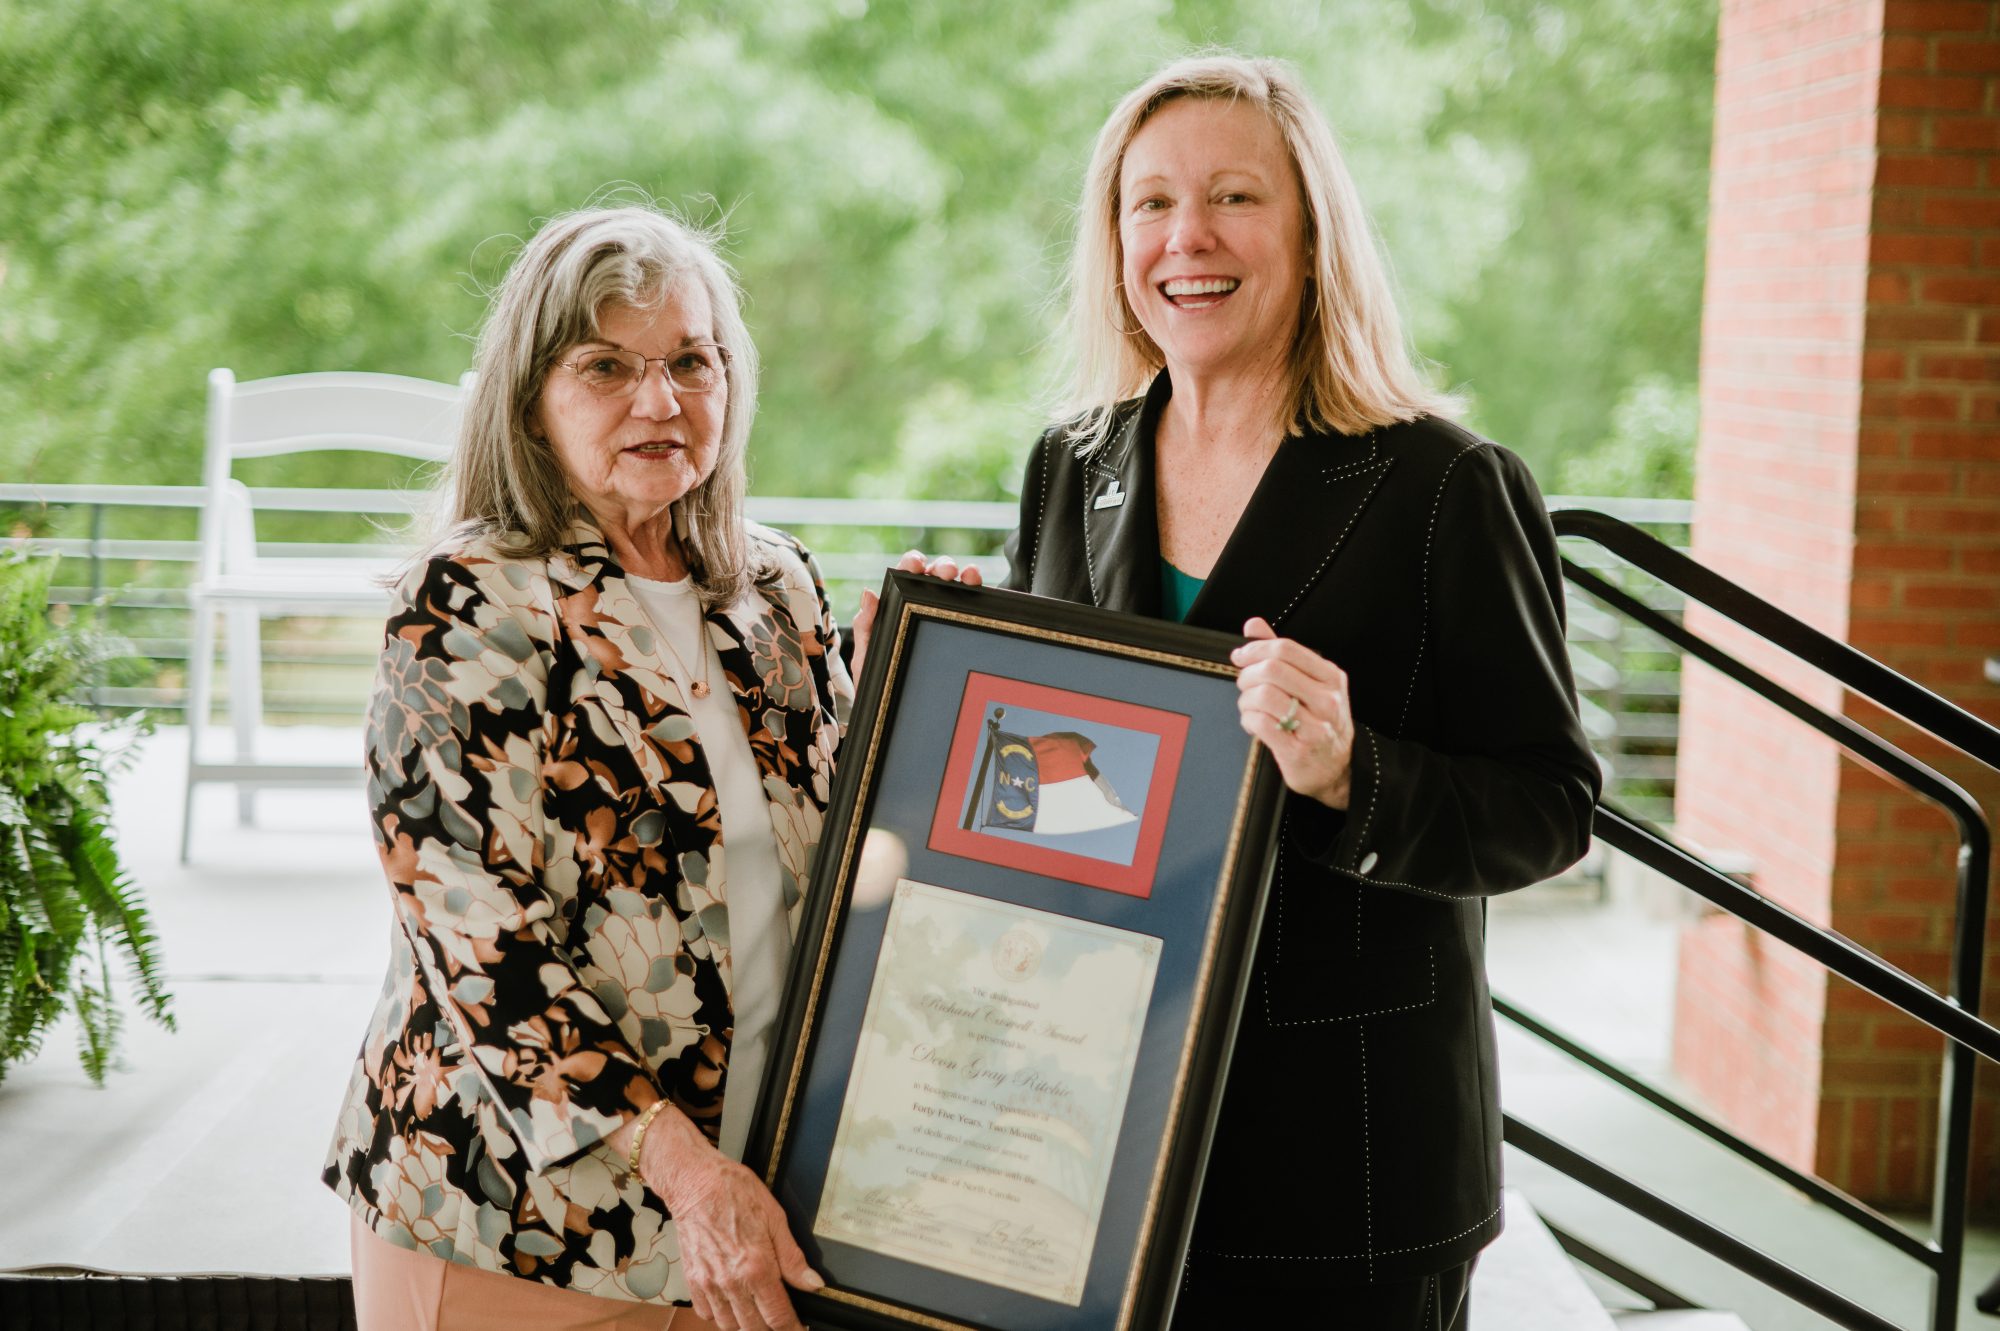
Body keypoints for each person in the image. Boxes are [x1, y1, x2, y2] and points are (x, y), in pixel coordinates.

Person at [1000, 55, 1602, 1328]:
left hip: (1348, 1156)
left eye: (1233, 198)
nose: (1187, 239)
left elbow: (1547, 809)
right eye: (1148, 203)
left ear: (1313, 233)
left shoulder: (1444, 481)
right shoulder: (1069, 464)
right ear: (1113, 242)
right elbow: (1067, 776)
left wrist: (1349, 771)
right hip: (1101, 1128)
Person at [323, 204, 973, 1331]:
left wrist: (920, 688)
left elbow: (827, 866)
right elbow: (482, 942)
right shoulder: (466, 603)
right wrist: (688, 1177)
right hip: (512, 1222)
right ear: (531, 394)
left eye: (690, 361)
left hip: (748, 1206)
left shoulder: (776, 589)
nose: (660, 399)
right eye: (607, 366)